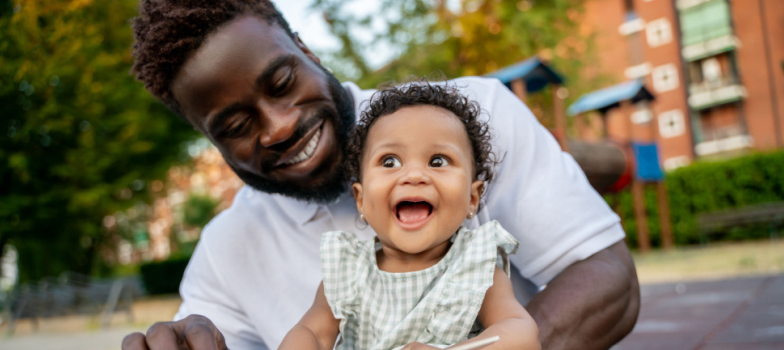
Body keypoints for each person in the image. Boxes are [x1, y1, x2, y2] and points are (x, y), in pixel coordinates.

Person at [123, 1, 640, 349]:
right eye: (235, 126)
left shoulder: (469, 125)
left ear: (306, 50)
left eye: (281, 82)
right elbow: (307, 333)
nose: (278, 127)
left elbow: (604, 277)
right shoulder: (233, 253)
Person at [279, 83, 540, 350]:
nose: (414, 175)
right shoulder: (348, 272)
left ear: (472, 198)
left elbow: (520, 332)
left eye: (438, 161)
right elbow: (311, 332)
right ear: (361, 200)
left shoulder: (475, 269)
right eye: (389, 162)